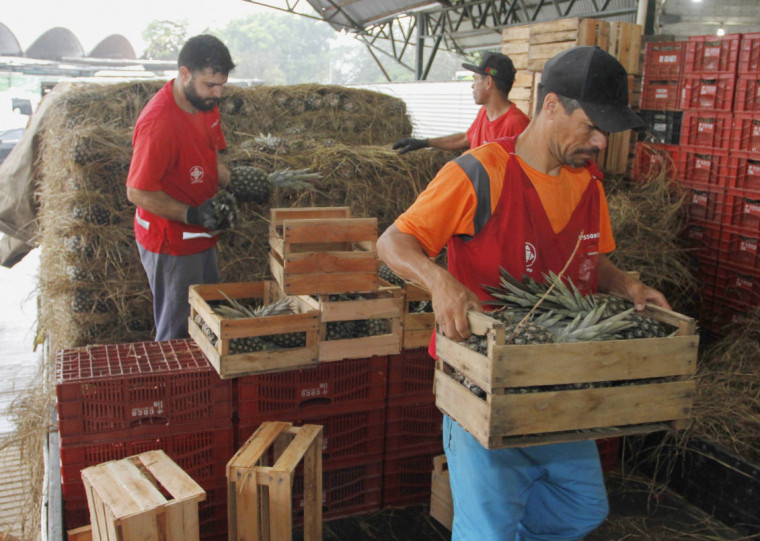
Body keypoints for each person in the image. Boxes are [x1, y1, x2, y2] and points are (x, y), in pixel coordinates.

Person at [377, 46, 668, 540]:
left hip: (559, 382)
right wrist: (440, 280)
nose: (600, 140)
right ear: (551, 105)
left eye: (607, 131)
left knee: (582, 508)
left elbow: (590, 260)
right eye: (592, 125)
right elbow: (393, 242)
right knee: (488, 530)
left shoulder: (589, 186)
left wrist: (625, 283)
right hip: (484, 382)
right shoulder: (481, 171)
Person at [126, 35, 235, 341]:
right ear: (185, 74)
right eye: (210, 85)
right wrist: (192, 214)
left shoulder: (205, 104)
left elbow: (211, 153)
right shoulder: (158, 123)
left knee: (207, 320)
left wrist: (232, 181)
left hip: (202, 234)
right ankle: (171, 386)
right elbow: (137, 192)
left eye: (221, 85)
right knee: (177, 330)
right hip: (171, 242)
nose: (217, 94)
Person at [392, 52, 530, 154]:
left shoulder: (516, 123)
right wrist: (424, 142)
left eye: (475, 79)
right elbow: (465, 138)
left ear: (488, 82)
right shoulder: (484, 112)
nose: (472, 86)